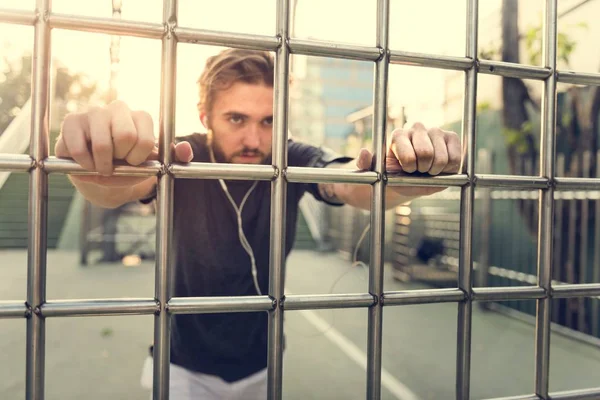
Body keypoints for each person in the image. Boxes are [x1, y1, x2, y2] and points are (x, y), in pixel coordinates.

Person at [55, 48, 462, 399]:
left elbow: (347, 182)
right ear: (205, 116)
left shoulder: (291, 157)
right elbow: (121, 188)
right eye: (236, 119)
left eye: (268, 121)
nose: (254, 138)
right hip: (182, 365)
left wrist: (404, 180)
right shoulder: (182, 155)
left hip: (264, 361)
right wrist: (96, 173)